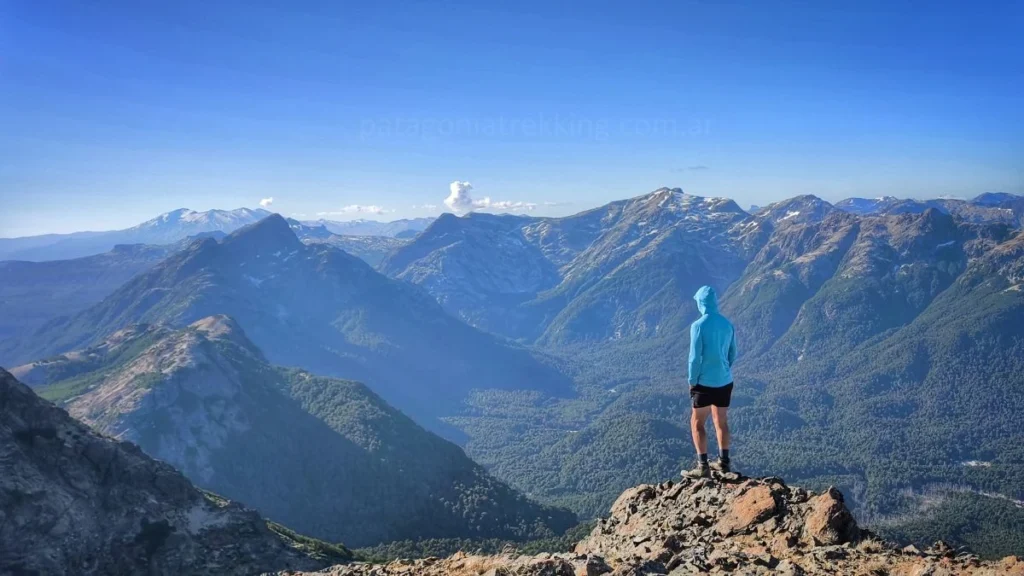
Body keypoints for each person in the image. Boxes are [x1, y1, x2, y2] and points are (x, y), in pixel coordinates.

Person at [683, 285, 737, 478]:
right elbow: (733, 353)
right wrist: (723, 369)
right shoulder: (727, 324)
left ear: (701, 303)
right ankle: (724, 463)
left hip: (703, 383)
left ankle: (703, 466)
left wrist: (692, 380)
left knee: (697, 423)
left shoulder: (698, 326)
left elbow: (694, 358)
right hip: (724, 381)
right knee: (721, 421)